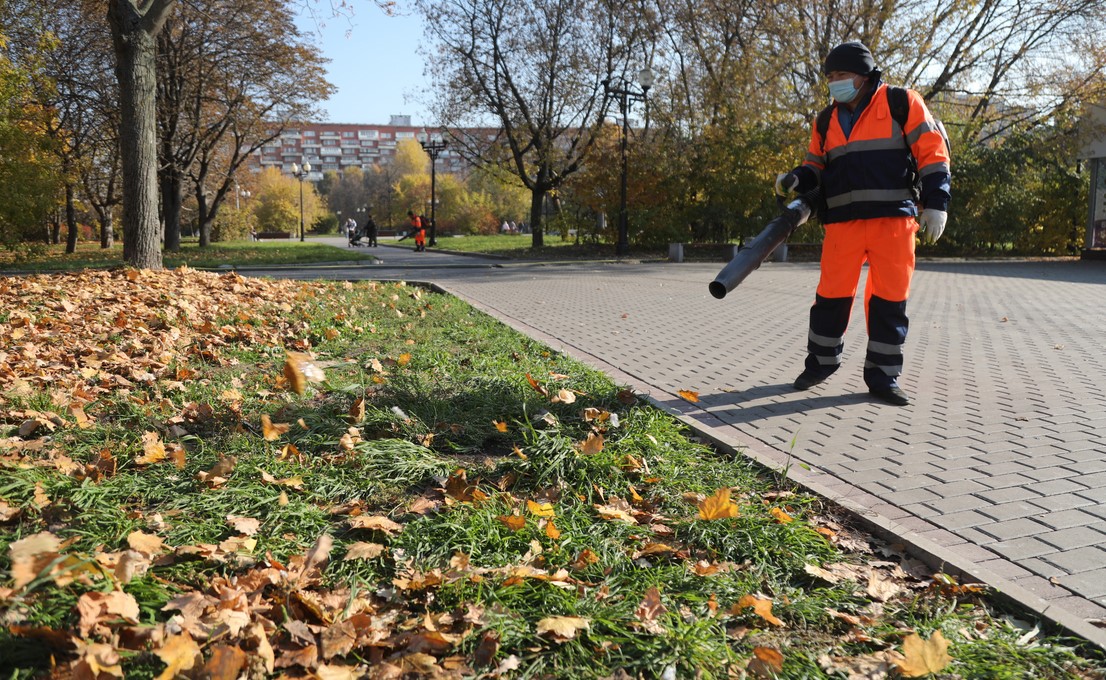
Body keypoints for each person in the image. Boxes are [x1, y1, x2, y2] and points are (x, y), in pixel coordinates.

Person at [775, 41, 950, 406]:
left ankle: (883, 377)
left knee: (889, 300)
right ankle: (821, 363)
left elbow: (932, 154)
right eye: (831, 77)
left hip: (894, 223)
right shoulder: (825, 120)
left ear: (865, 74)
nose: (835, 82)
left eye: (842, 75)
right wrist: (796, 179)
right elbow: (815, 168)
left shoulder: (902, 103)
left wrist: (937, 203)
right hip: (842, 224)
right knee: (830, 297)